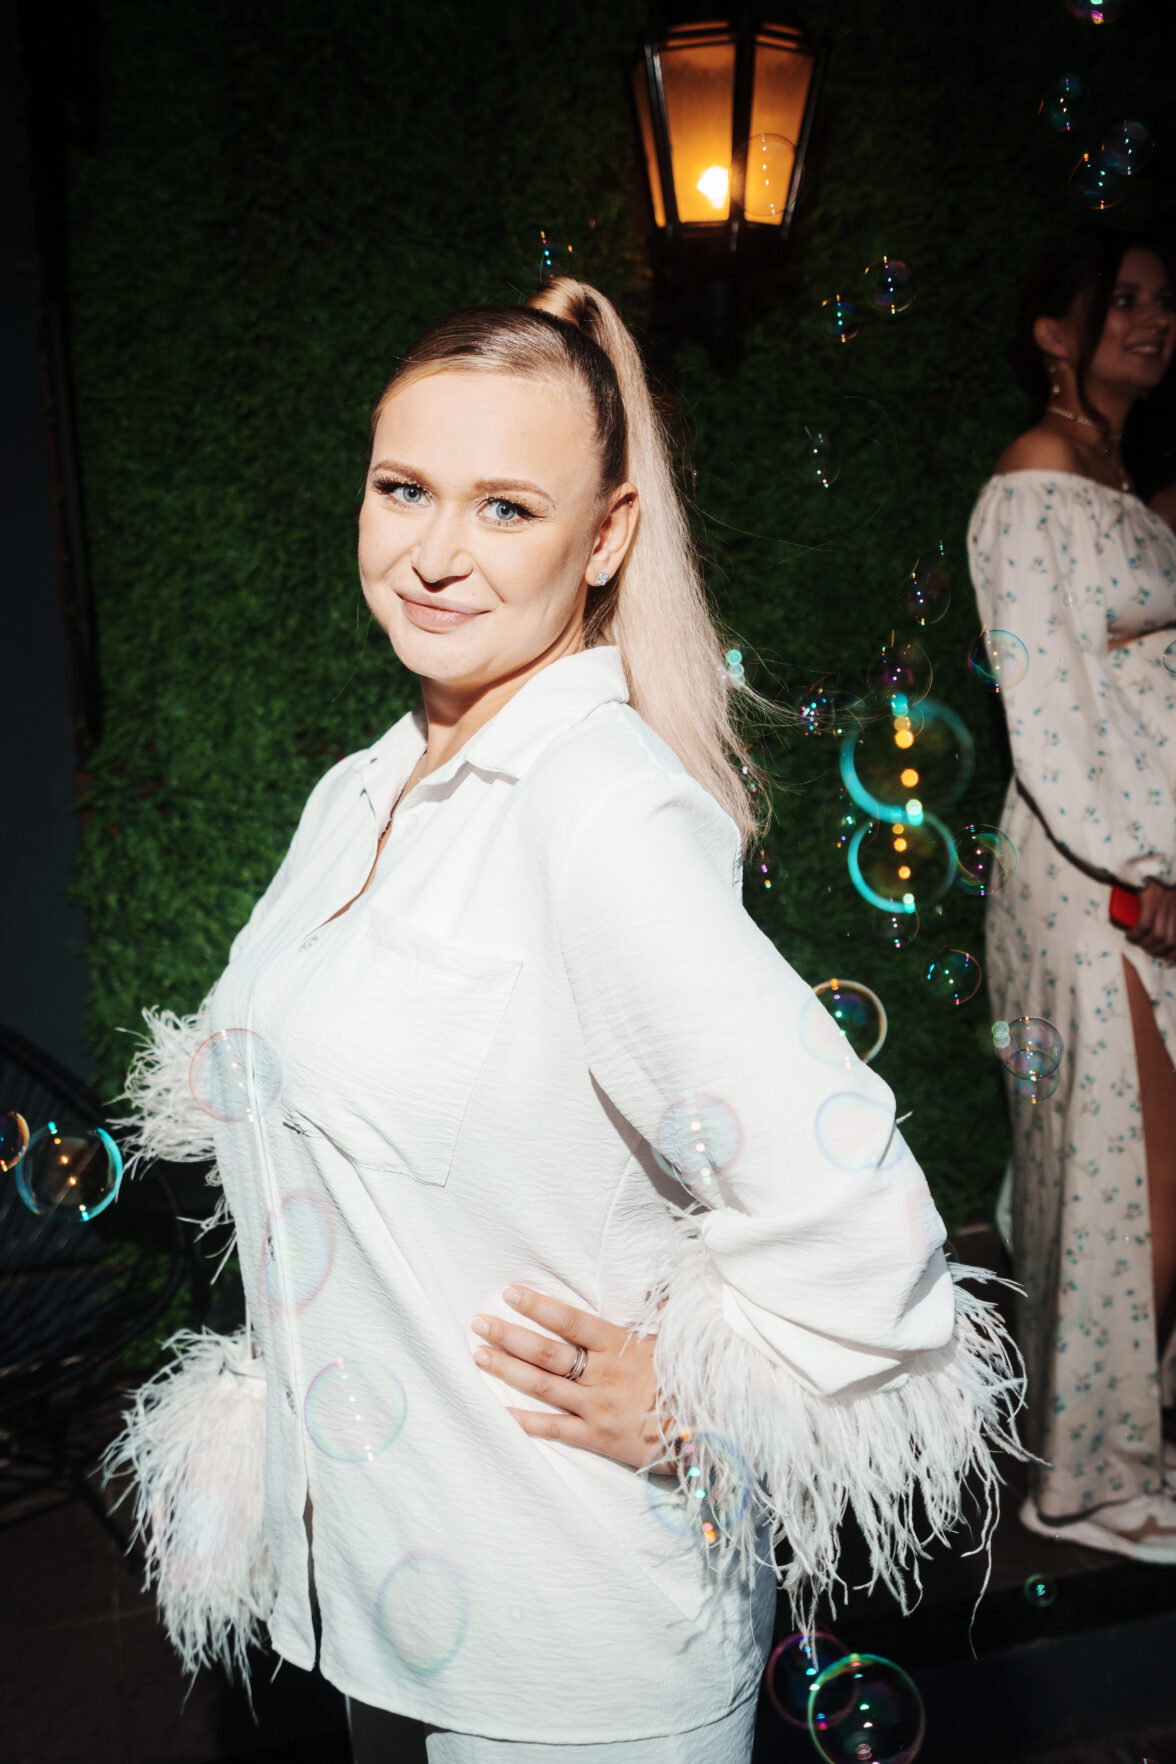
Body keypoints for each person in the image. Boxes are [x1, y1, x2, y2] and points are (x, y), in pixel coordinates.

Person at [113, 278, 1021, 1763]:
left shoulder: (601, 811)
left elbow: (858, 1215)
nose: (434, 554)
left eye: (506, 508)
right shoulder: (359, 792)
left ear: (604, 537)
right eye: (404, 489)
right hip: (385, 1604)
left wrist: (697, 1407)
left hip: (573, 1639)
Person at [968, 231, 1176, 1561]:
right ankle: (1081, 1485)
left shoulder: (1118, 480)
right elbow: (1046, 707)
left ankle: (1122, 1443)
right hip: (1092, 876)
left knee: (1145, 1179)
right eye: (1123, 302)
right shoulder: (1033, 480)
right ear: (1055, 334)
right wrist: (1135, 865)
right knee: (1126, 1182)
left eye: (1166, 302)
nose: (1153, 320)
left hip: (1150, 874)